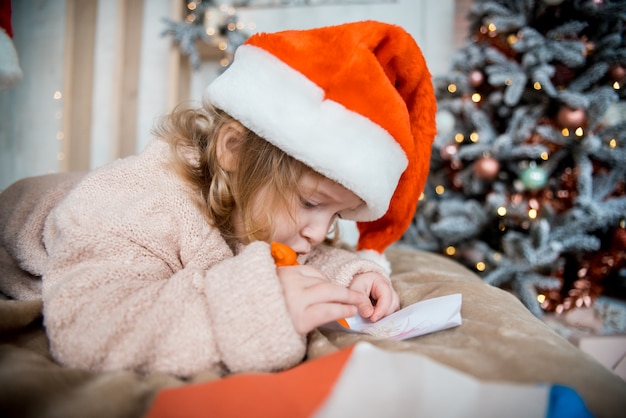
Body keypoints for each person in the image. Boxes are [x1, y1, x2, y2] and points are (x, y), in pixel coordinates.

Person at [0, 20, 436, 377]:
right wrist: (261, 307)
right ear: (233, 150)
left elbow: (290, 259)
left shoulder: (256, 204)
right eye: (309, 203)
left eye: (336, 213)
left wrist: (349, 279)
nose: (319, 232)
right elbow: (87, 329)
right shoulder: (145, 208)